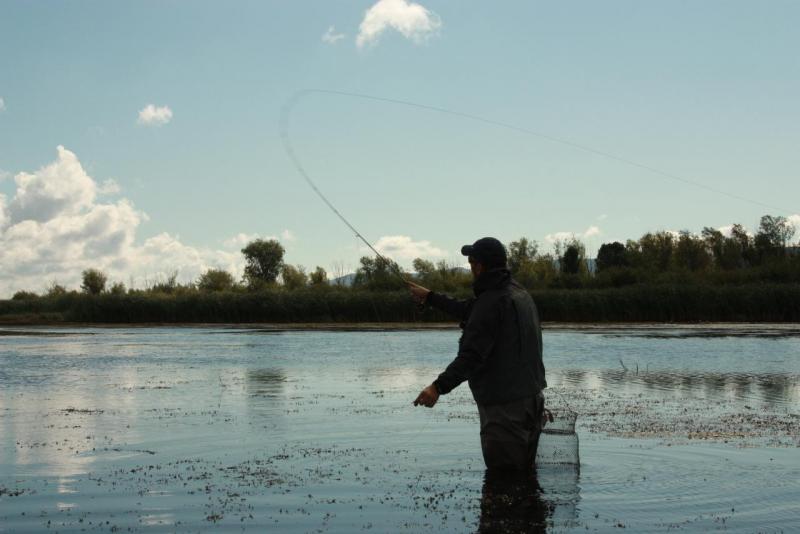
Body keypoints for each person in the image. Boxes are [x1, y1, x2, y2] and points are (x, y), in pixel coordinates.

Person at [408, 237, 547, 474]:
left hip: (504, 409)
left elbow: (471, 356)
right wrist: (430, 297)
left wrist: (437, 387)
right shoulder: (517, 293)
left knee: (504, 480)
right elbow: (470, 310)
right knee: (524, 479)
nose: (471, 268)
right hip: (532, 401)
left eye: (472, 262)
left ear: (479, 266)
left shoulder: (493, 301)